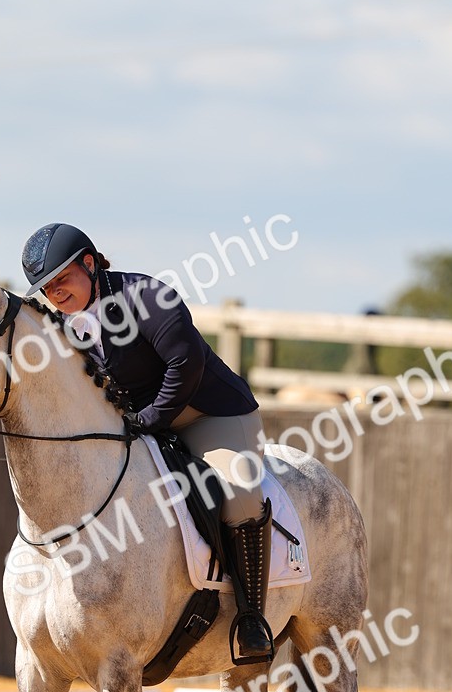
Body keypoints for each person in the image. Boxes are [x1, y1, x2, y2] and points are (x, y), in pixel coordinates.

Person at [21, 222, 273, 664]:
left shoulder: (146, 297)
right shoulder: (60, 326)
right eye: (46, 286)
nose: (55, 292)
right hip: (138, 423)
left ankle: (252, 619)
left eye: (62, 278)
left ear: (90, 263)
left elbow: (185, 363)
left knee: (239, 492)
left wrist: (151, 419)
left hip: (208, 413)